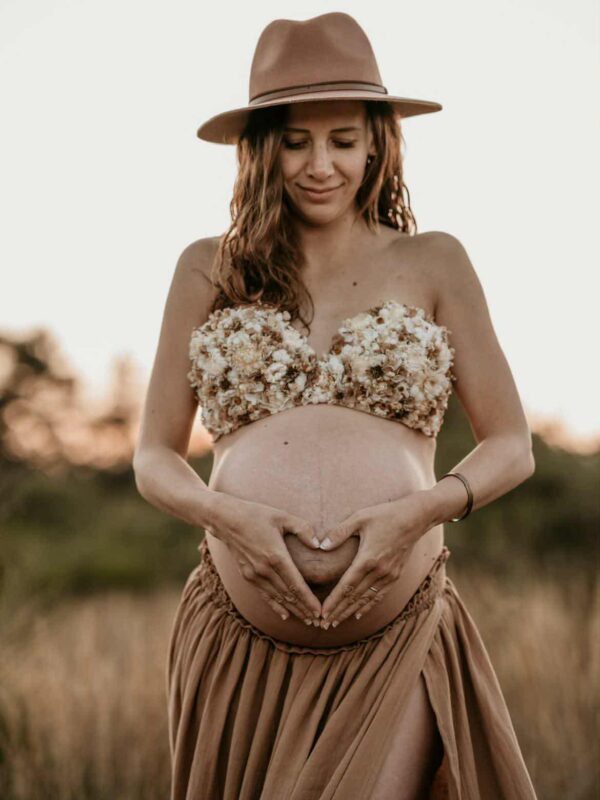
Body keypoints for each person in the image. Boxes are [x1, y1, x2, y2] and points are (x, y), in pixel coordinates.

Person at [133, 12, 539, 800]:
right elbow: (154, 455)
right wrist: (229, 519)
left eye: (344, 140)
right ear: (261, 148)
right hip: (237, 641)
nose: (321, 165)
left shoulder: (435, 261)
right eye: (296, 141)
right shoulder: (204, 270)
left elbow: (512, 443)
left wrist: (421, 514)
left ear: (377, 144)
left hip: (395, 636)